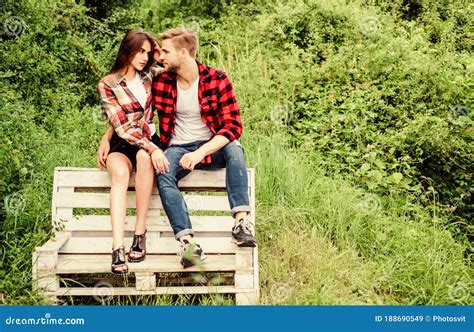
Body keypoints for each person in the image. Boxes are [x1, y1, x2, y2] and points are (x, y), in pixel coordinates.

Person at [149, 28, 257, 268]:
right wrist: (108, 137)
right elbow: (131, 107)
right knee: (164, 171)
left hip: (210, 148)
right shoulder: (161, 81)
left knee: (234, 148)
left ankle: (241, 223)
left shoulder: (217, 79)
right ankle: (188, 244)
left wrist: (200, 153)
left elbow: (233, 126)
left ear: (184, 52)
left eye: (166, 51)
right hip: (178, 146)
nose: (160, 57)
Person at [96, 29, 162, 275]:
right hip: (124, 142)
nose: (144, 57)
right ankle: (117, 247)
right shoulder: (108, 83)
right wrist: (109, 135)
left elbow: (176, 65)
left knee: (145, 159)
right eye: (140, 51)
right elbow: (122, 125)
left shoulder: (152, 76)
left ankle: (139, 233)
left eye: (148, 52)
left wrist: (157, 50)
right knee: (120, 175)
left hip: (147, 142)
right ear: (128, 50)